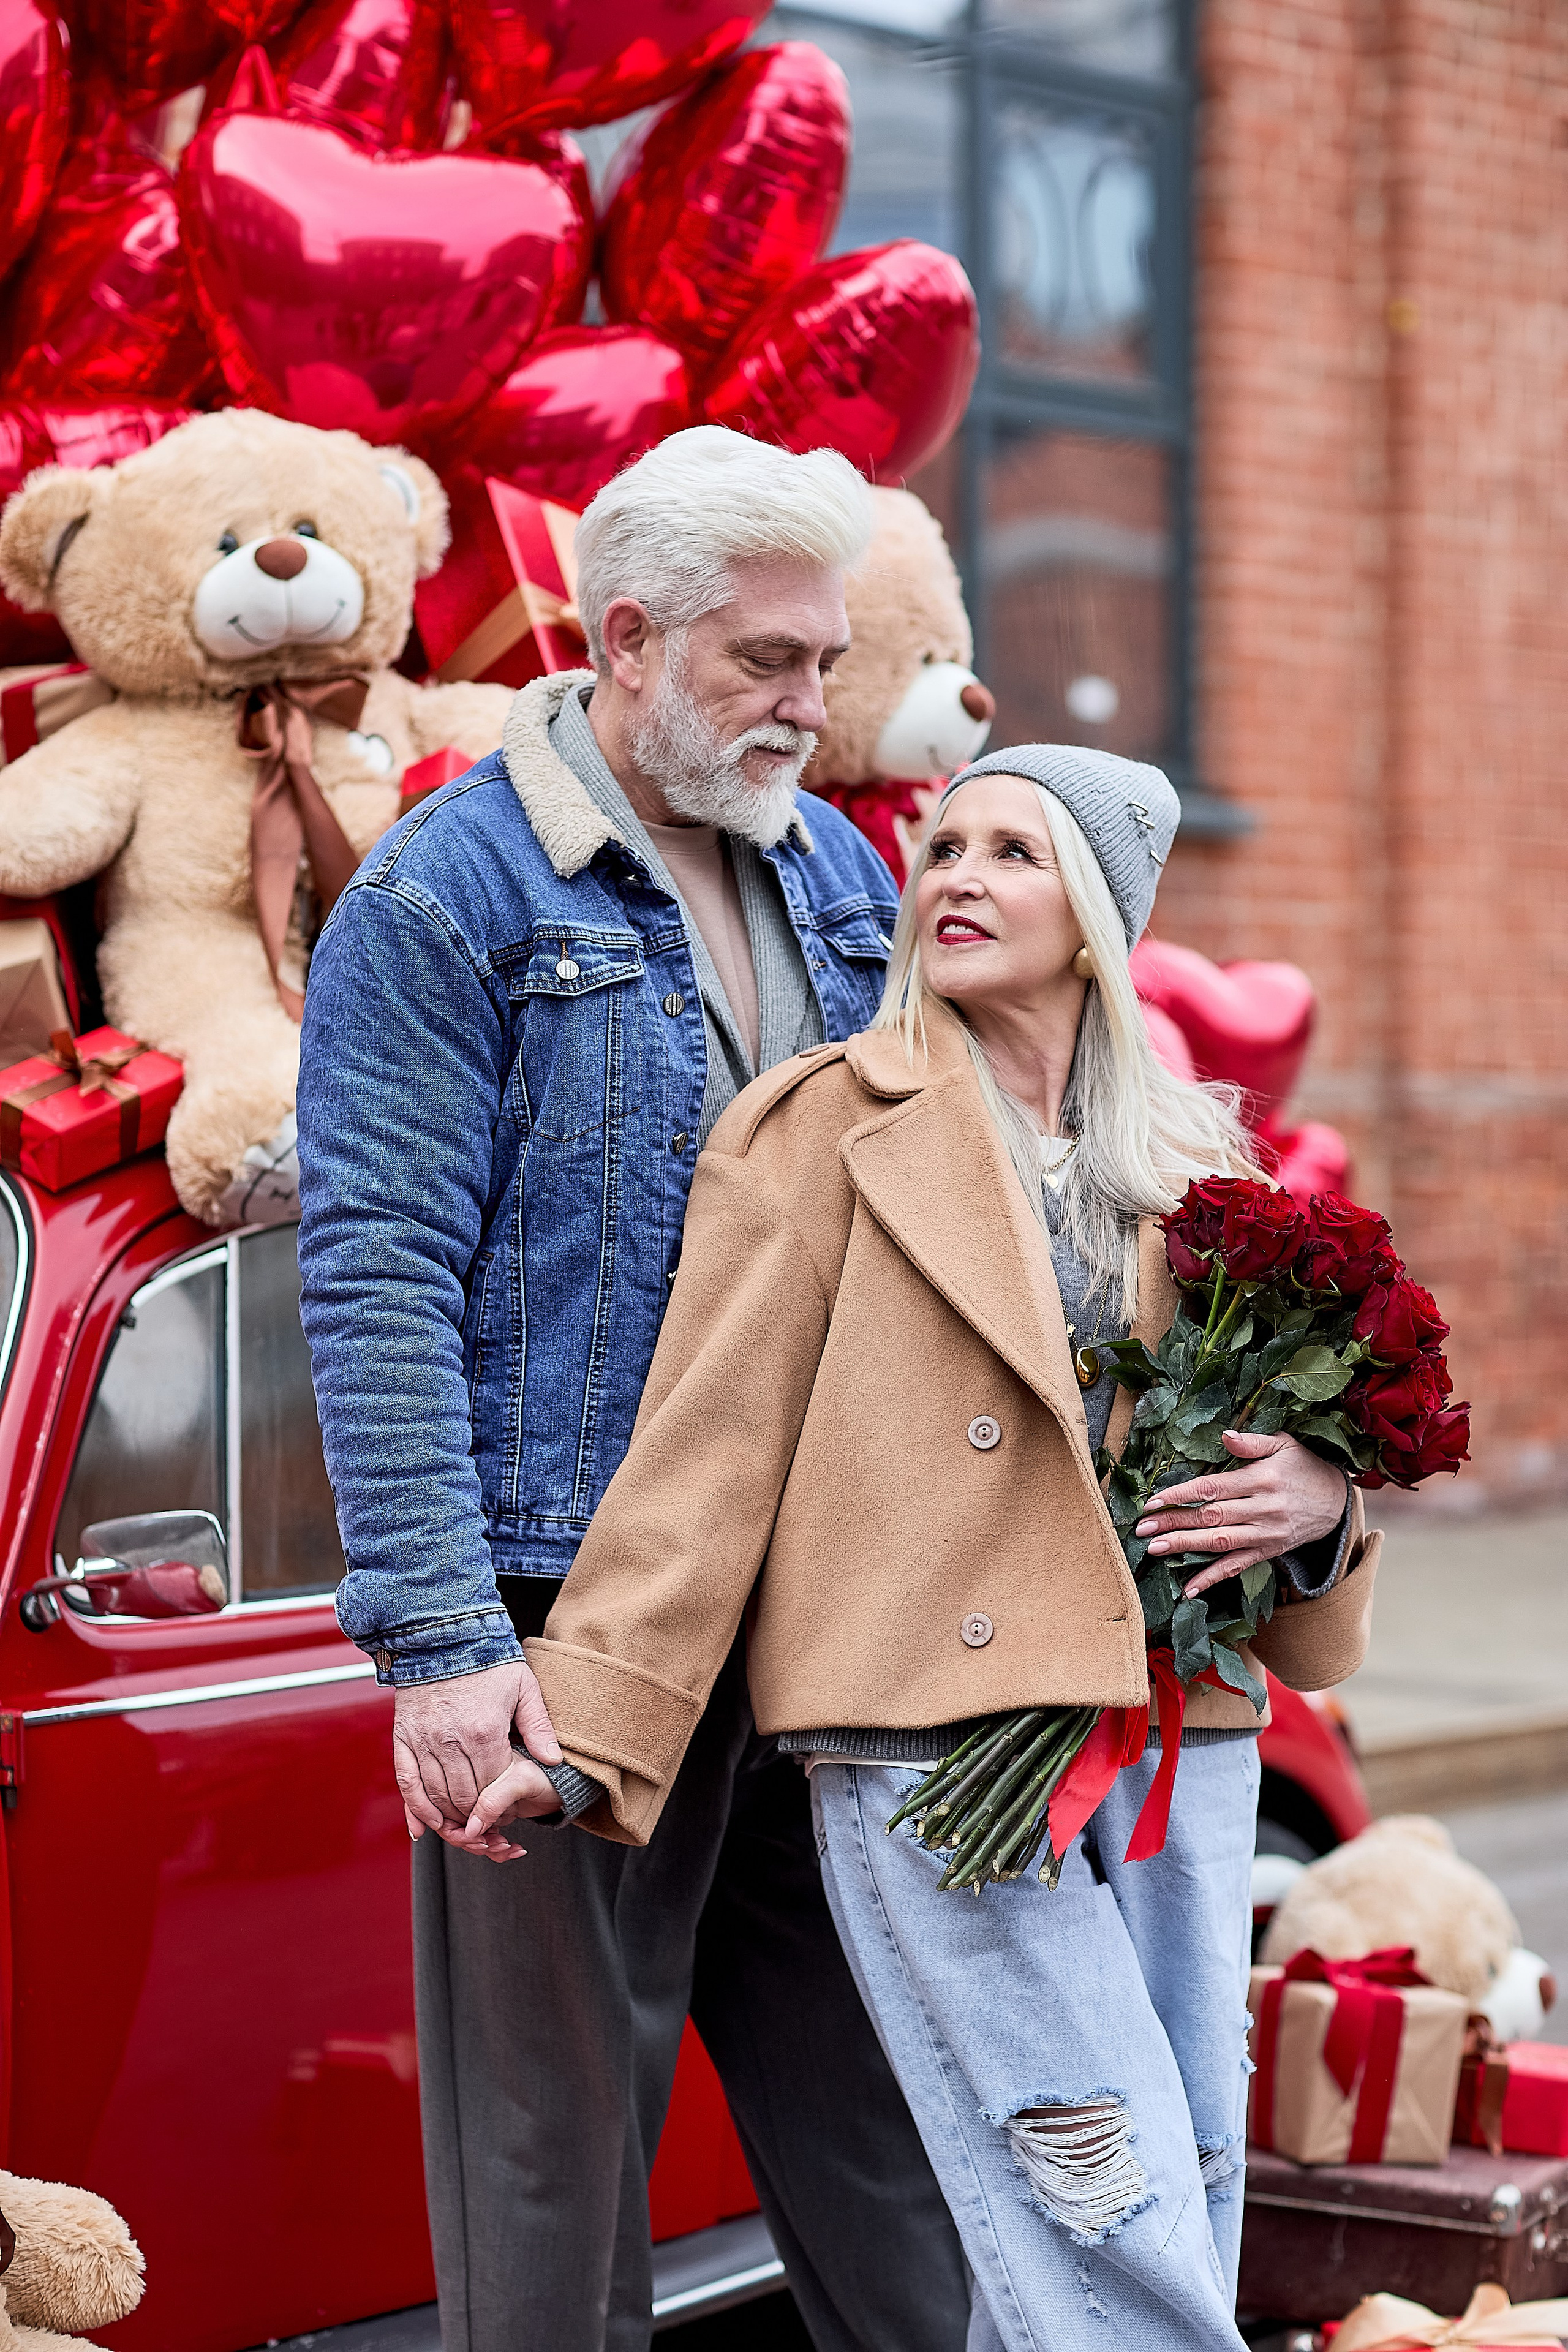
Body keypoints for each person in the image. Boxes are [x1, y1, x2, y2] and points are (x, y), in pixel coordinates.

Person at [480, 745, 1384, 2351]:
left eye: (1012, 853)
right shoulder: (825, 1126)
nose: (956, 876)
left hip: (1182, 1738)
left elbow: (1284, 1461)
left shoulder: (1199, 1160)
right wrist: (588, 1727)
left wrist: (1322, 1500)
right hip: (939, 1750)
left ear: (1096, 911)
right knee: (1092, 2189)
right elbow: (708, 1451)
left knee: (1183, 2176)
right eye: (944, 847)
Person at [294, 427, 971, 2352]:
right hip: (564, 1614)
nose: (808, 704)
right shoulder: (448, 897)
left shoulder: (839, 871)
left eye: (826, 662)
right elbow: (376, 1278)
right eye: (766, 660)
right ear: (626, 642)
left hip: (822, 1618)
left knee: (903, 2164)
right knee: (553, 2205)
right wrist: (442, 1651)